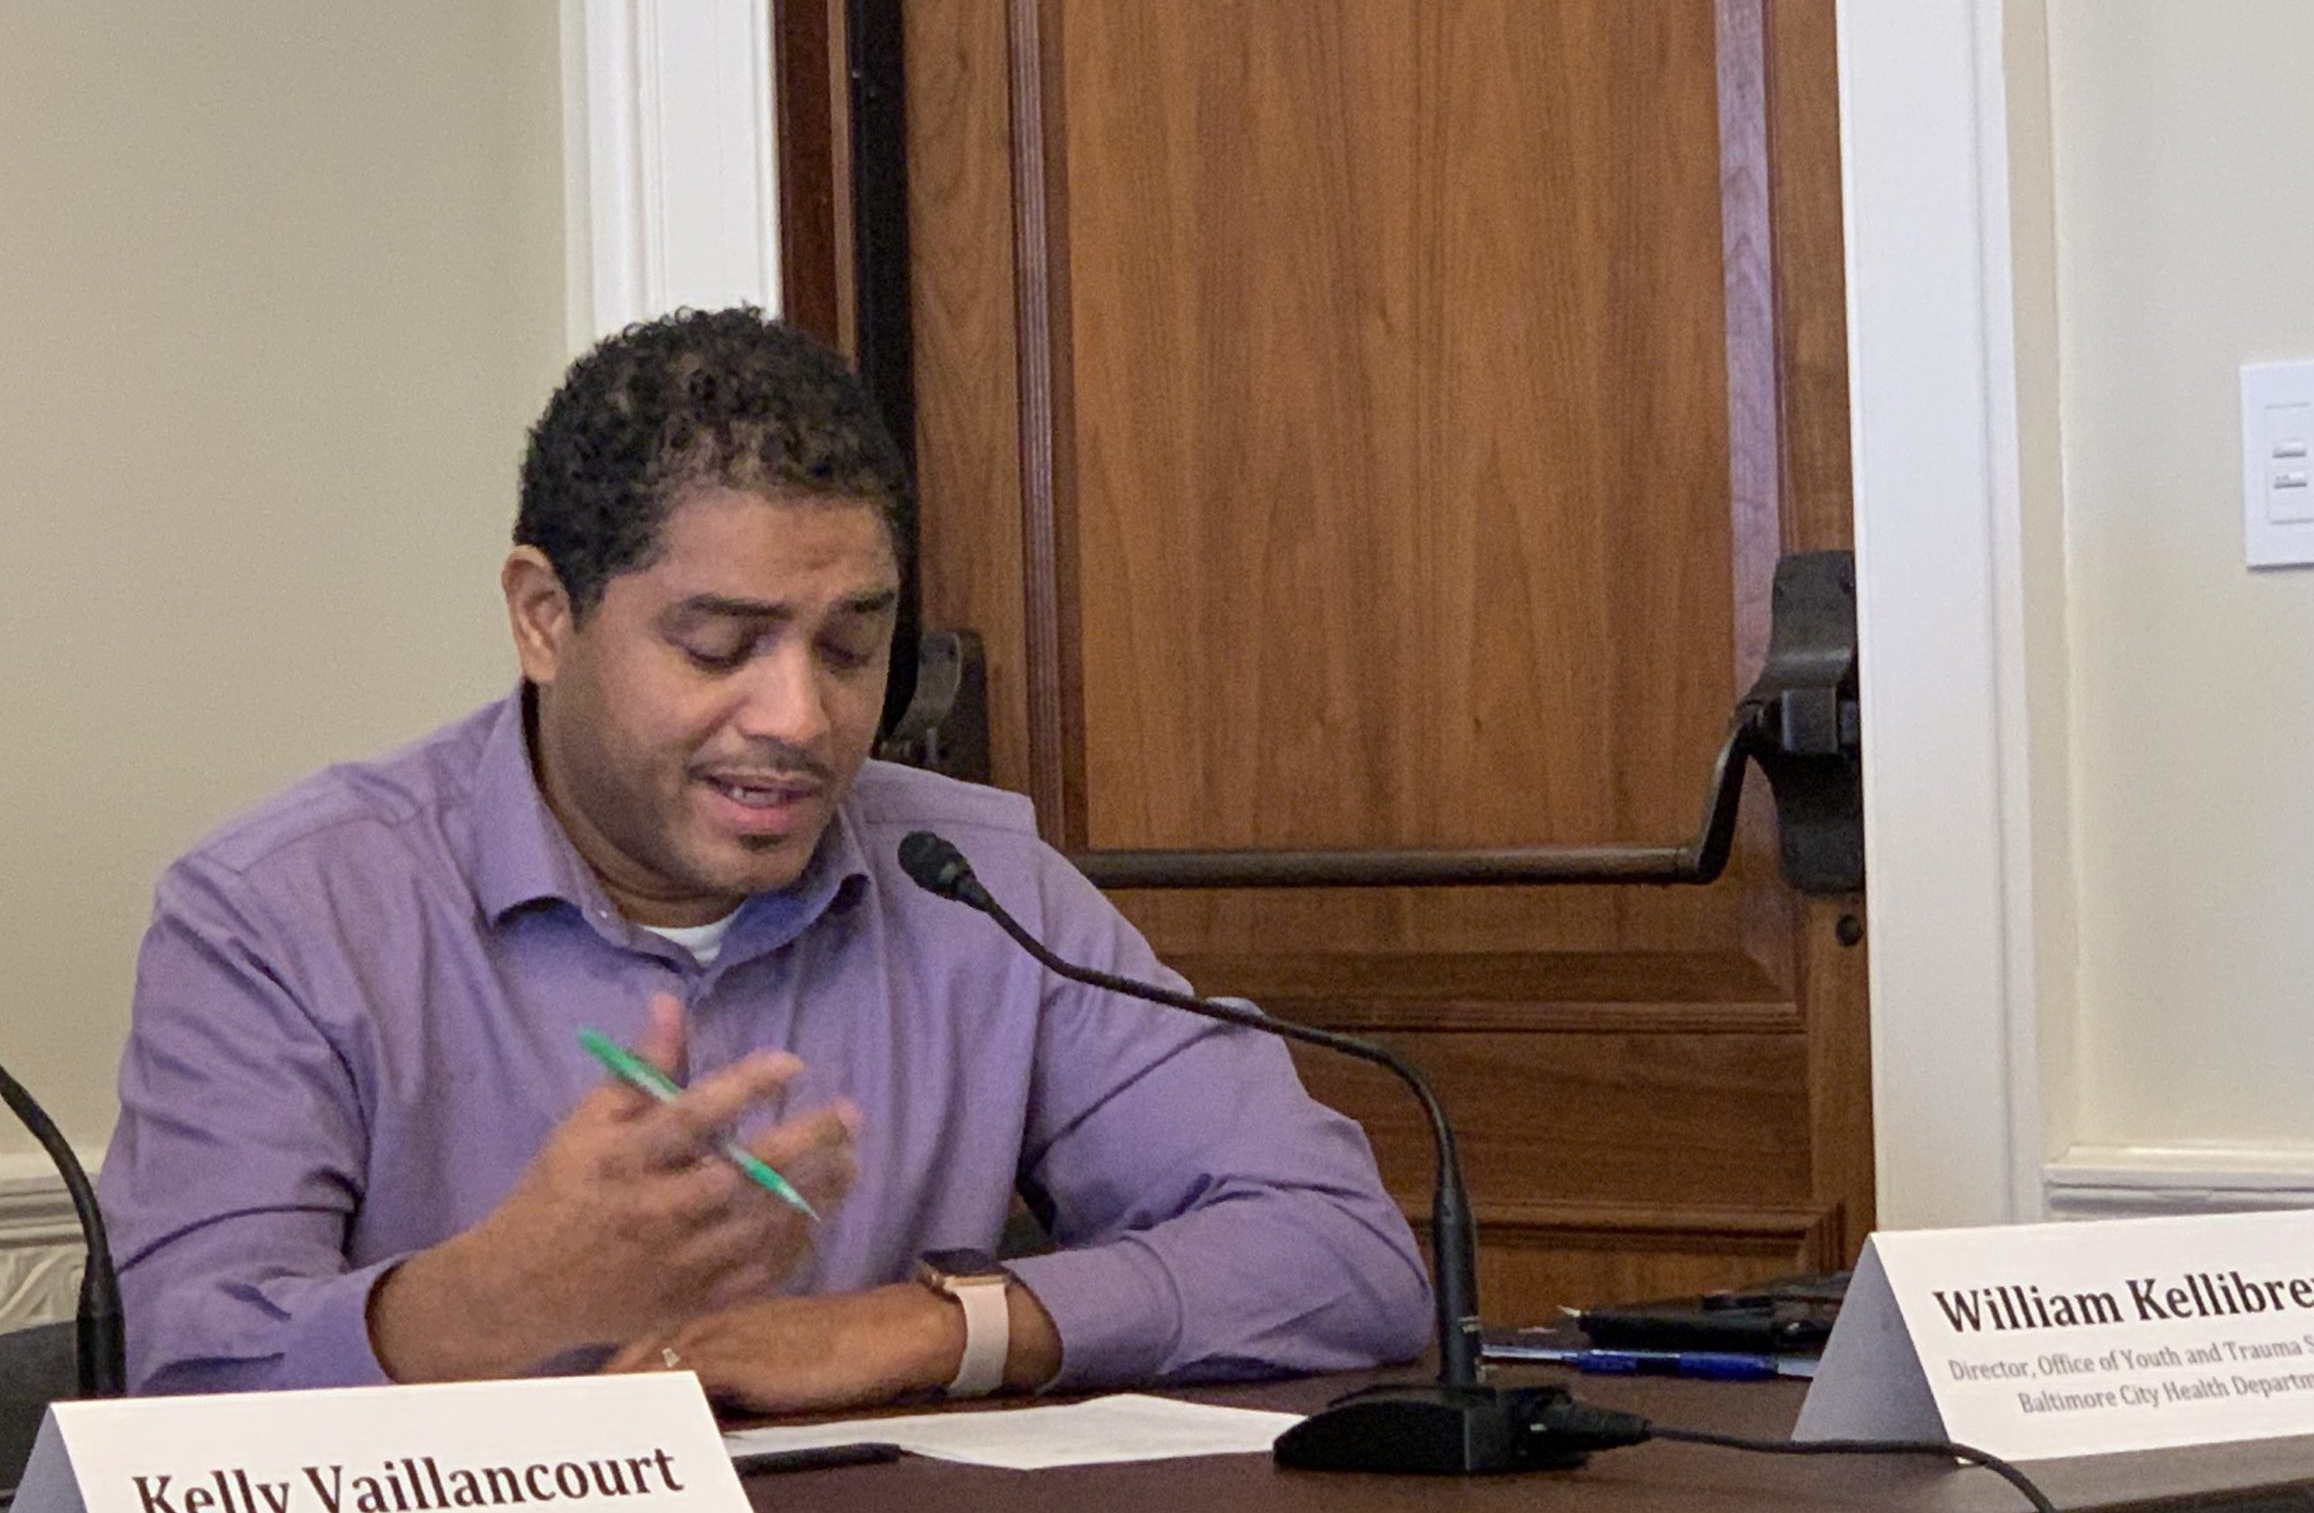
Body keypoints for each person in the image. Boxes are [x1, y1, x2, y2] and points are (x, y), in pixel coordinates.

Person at [101, 308, 1432, 1410]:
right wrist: (509, 1294)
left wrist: (925, 1331)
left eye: (851, 647)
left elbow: (1341, 1250)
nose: (800, 720)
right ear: (545, 616)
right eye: (720, 644)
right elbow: (183, 1395)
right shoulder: (281, 914)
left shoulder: (974, 886)